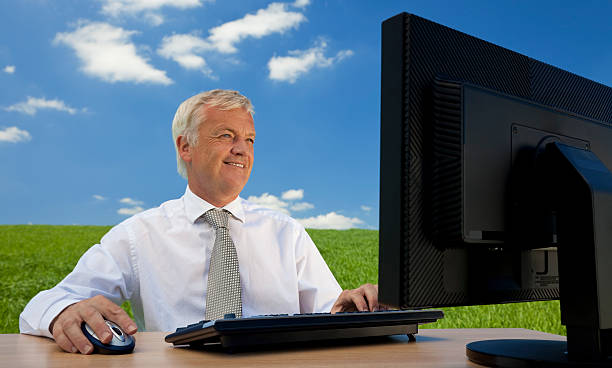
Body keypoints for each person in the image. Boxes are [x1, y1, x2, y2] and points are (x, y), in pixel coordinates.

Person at [19, 89, 380, 354]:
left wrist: (354, 308)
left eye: (249, 139)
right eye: (226, 135)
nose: (242, 149)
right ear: (185, 147)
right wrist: (63, 311)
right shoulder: (138, 235)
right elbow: (46, 303)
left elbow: (329, 313)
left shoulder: (287, 232)